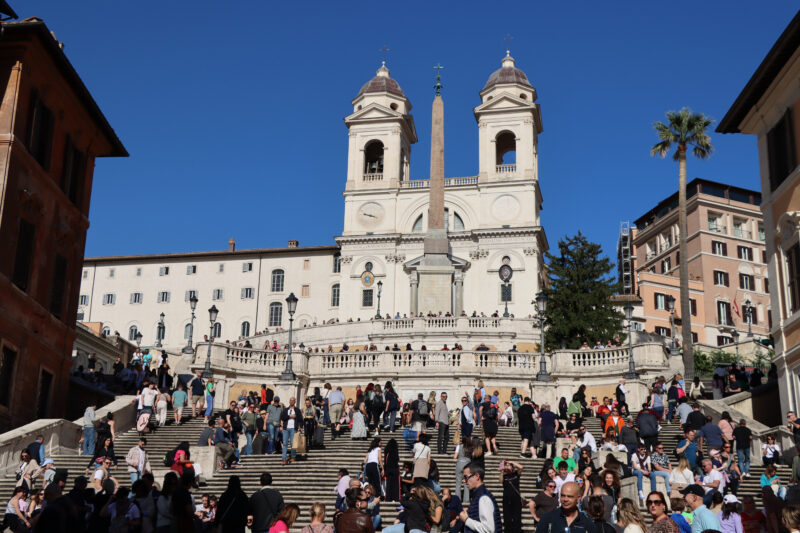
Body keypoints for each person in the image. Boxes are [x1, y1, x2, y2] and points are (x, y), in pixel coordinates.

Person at [458, 462, 502, 533]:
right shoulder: (478, 496)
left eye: (466, 477)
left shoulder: (483, 498)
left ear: (477, 476)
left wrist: (466, 520)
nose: (464, 481)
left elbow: (488, 529)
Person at [501, 460, 524, 533]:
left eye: (509, 465)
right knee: (507, 518)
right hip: (506, 499)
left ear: (512, 467)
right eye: (506, 465)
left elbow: (521, 467)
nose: (507, 466)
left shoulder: (516, 474)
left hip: (516, 499)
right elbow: (500, 481)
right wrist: (501, 471)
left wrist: (511, 462)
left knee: (517, 517)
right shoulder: (504, 476)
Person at [281, 397, 299, 465]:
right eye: (290, 400)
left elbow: (300, 418)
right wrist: (290, 416)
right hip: (286, 428)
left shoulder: (297, 410)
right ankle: (284, 459)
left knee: (292, 443)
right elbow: (282, 417)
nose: (291, 401)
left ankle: (293, 456)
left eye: (293, 400)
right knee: (285, 443)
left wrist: (300, 426)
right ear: (289, 401)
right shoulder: (285, 410)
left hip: (293, 428)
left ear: (295, 402)